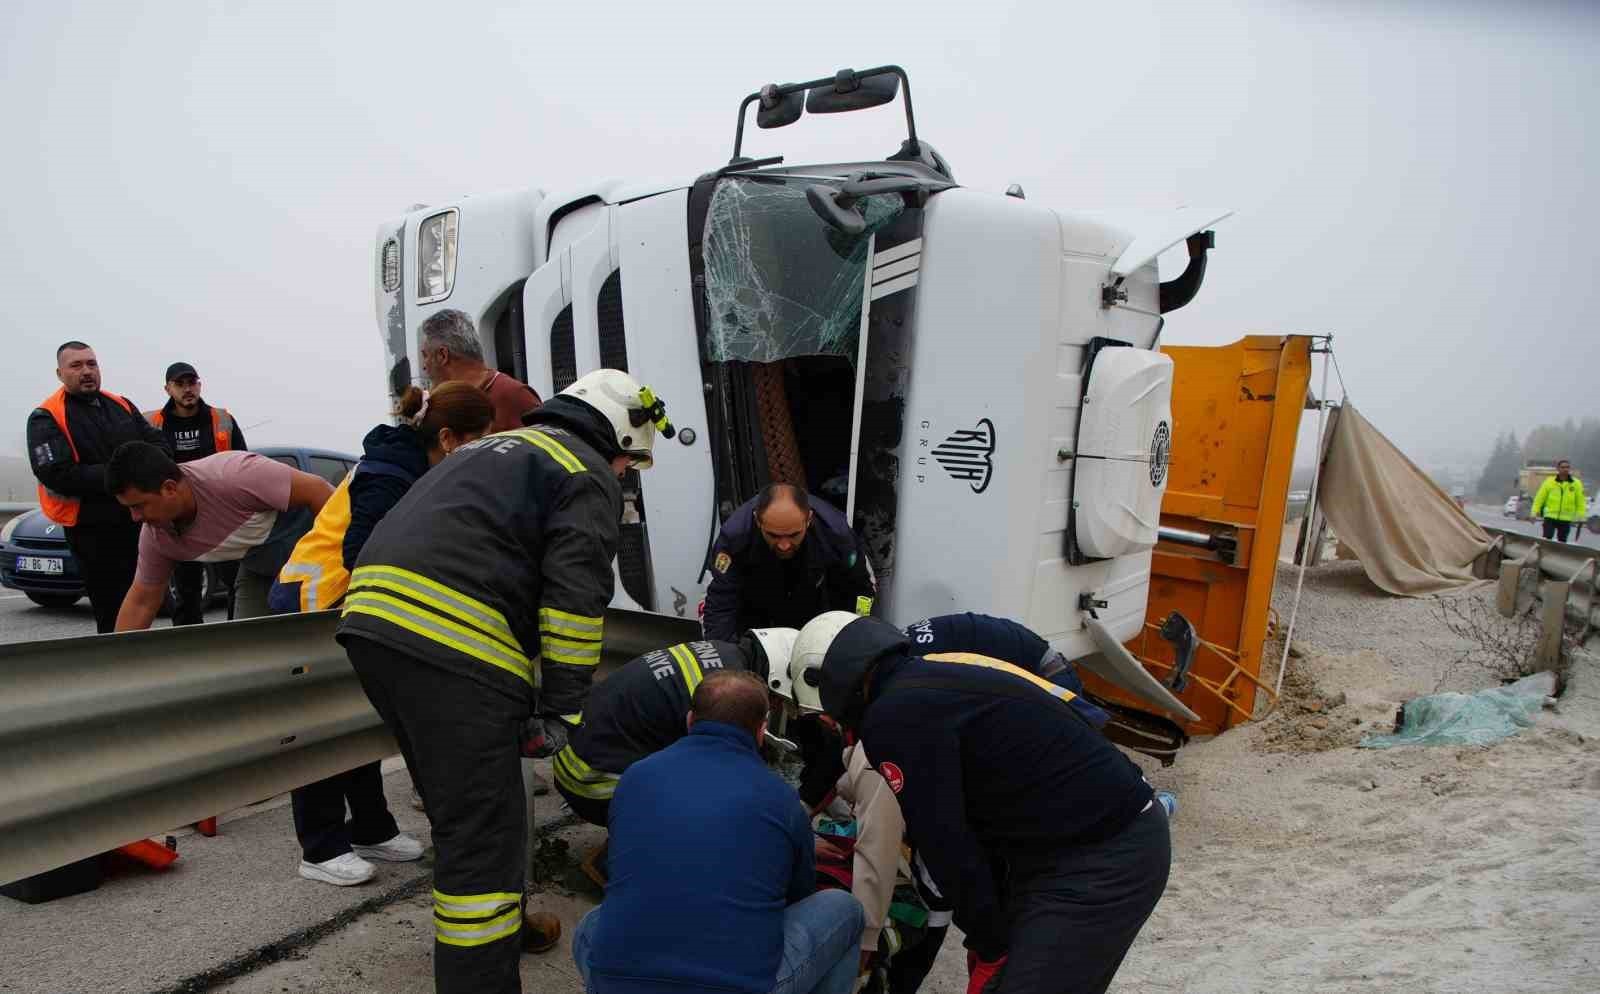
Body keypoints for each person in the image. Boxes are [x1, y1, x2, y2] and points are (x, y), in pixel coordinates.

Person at [336, 369, 672, 994]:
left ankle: (505, 933)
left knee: (464, 819)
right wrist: (564, 710)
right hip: (451, 649)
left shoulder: (498, 447)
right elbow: (575, 602)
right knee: (482, 845)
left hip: (373, 630)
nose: (625, 474)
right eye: (630, 461)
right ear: (617, 435)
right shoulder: (584, 470)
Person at [792, 612, 1171, 994]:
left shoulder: (895, 717)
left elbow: (945, 841)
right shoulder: (926, 681)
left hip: (1103, 855)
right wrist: (989, 927)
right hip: (1074, 844)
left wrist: (988, 941)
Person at [270, 382, 494, 886]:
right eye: (479, 440)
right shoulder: (390, 474)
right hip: (317, 600)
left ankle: (371, 827)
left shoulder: (415, 467)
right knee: (326, 726)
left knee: (361, 719)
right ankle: (321, 847)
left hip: (349, 603)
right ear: (448, 438)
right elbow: (362, 553)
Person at [571, 670, 865, 994]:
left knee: (592, 924)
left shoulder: (635, 778)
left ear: (689, 719)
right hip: (741, 985)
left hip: (616, 983)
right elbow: (797, 896)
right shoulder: (780, 798)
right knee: (846, 910)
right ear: (762, 730)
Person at [551, 629, 799, 827]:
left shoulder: (722, 657)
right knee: (714, 804)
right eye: (778, 700)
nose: (775, 706)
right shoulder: (727, 696)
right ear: (776, 675)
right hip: (595, 785)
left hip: (575, 761)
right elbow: (721, 774)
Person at [107, 442, 334, 632]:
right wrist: (117, 663)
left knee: (324, 634)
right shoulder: (156, 537)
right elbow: (142, 601)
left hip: (321, 556)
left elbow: (319, 491)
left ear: (169, 489)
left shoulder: (236, 475)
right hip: (261, 567)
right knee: (250, 647)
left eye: (139, 506)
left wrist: (340, 562)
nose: (135, 518)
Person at [26, 341, 172, 632]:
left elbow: (158, 445)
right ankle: (116, 658)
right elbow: (57, 473)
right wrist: (124, 475)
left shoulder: (121, 405)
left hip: (138, 521)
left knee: (146, 604)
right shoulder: (46, 417)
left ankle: (146, 656)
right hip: (92, 530)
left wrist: (142, 469)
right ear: (60, 373)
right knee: (111, 610)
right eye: (76, 365)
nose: (86, 371)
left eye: (91, 364)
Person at [144, 361, 248, 626]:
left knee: (236, 583)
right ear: (167, 389)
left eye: (192, 383)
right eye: (180, 384)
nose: (187, 389)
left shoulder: (222, 420)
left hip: (221, 515)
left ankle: (236, 638)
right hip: (178, 518)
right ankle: (188, 642)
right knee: (186, 590)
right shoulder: (152, 424)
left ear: (199, 385)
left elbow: (243, 465)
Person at [702, 484, 876, 642]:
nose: (784, 546)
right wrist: (725, 655)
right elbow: (718, 604)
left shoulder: (838, 535)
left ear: (809, 519)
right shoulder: (733, 538)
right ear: (757, 521)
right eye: (773, 535)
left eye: (793, 535)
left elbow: (862, 591)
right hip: (755, 606)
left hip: (815, 606)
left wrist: (854, 635)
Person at [418, 308, 542, 432]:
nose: (424, 366)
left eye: (425, 356)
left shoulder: (515, 396)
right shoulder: (439, 406)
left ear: (442, 355)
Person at [1531, 460, 1587, 543]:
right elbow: (1540, 498)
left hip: (1566, 518)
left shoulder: (1576, 483)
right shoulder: (1549, 482)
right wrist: (1534, 512)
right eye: (1563, 467)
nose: (1565, 469)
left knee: (1562, 541)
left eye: (1567, 467)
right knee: (1547, 539)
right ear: (1558, 469)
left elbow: (1580, 501)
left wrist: (1581, 516)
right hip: (1550, 516)